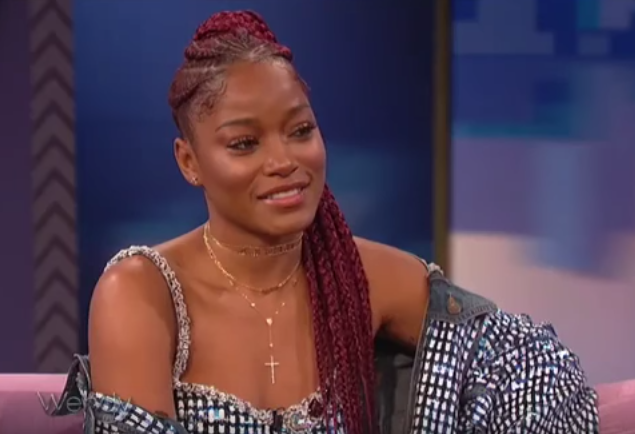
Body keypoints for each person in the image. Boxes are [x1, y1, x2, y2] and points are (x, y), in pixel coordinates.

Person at [50, 10, 599, 434]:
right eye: (245, 143)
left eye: (300, 131)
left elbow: (537, 370)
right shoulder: (141, 293)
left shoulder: (364, 275)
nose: (284, 161)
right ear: (189, 162)